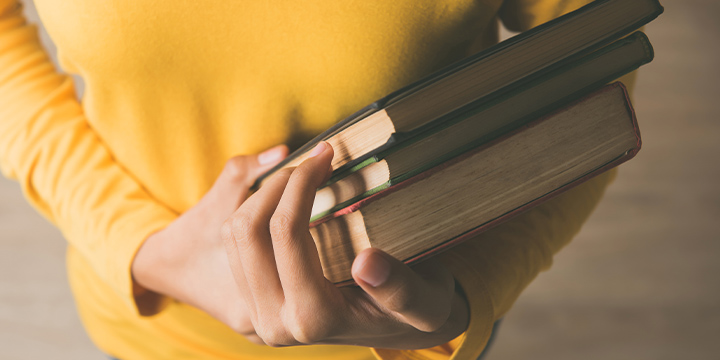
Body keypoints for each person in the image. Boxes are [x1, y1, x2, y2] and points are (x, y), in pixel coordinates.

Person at [0, 0, 631, 358]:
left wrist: (471, 290)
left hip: (408, 333)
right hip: (149, 328)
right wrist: (143, 248)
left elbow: (589, 73)